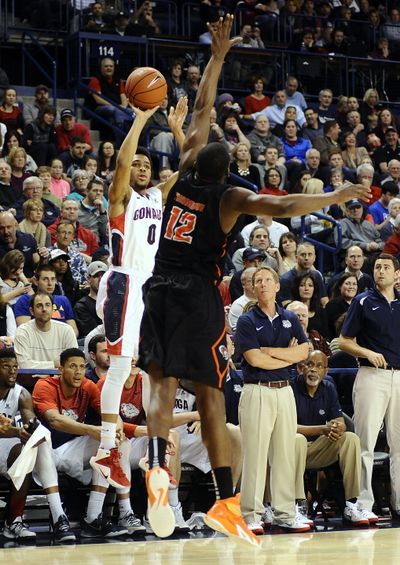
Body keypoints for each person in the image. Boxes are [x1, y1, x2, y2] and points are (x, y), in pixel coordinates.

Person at [138, 14, 370, 544]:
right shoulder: (229, 197)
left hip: (159, 287)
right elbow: (283, 201)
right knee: (212, 396)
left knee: (159, 382)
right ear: (229, 177)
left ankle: (155, 466)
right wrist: (333, 197)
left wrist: (217, 57)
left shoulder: (186, 171)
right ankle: (224, 501)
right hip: (197, 294)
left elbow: (200, 110)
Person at [90, 96, 187, 490]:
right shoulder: (121, 197)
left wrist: (179, 131)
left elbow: (190, 169)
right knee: (118, 367)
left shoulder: (157, 197)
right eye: (137, 165)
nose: (141, 168)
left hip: (151, 287)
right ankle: (107, 447)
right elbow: (121, 166)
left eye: (147, 165)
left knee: (155, 371)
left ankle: (154, 450)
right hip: (123, 283)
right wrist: (141, 119)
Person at [235, 266, 310, 534]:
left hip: (285, 390)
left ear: (278, 286)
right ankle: (251, 514)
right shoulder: (246, 321)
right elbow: (254, 359)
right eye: (258, 281)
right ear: (253, 289)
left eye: (268, 280)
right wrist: (284, 356)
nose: (263, 284)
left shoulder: (290, 316)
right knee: (255, 455)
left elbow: (303, 353)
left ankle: (285, 513)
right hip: (257, 390)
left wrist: (270, 352)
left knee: (284, 454)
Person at [32, 348, 134, 537]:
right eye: (72, 366)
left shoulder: (88, 386)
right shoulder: (44, 385)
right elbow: (55, 420)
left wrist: (116, 429)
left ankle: (94, 518)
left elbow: (110, 413)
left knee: (115, 441)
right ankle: (59, 518)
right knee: (41, 438)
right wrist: (90, 429)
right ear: (60, 368)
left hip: (72, 449)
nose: (78, 372)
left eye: (81, 366)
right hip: (46, 453)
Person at [339, 253, 400, 522]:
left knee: (399, 444)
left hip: (399, 377)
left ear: (397, 274)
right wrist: (367, 352)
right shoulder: (363, 301)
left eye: (387, 267)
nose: (381, 271)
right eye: (377, 267)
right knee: (365, 442)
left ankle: (398, 503)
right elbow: (344, 341)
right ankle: (362, 503)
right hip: (371, 375)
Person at [0, 347, 76, 541]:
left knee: (23, 451)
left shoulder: (22, 394)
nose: (12, 371)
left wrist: (29, 429)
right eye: (6, 366)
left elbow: (29, 422)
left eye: (15, 367)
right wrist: (17, 431)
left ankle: (13, 520)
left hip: (5, 446)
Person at [292, 350, 369, 526]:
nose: (313, 370)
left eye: (319, 366)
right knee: (297, 439)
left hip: (318, 450)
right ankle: (296, 506)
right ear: (302, 368)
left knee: (350, 439)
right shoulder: (291, 388)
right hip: (292, 451)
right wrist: (323, 429)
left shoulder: (329, 387)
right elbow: (288, 428)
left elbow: (339, 420)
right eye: (310, 365)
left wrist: (337, 427)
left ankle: (351, 504)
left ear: (326, 371)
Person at [14, 292, 77, 369]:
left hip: (60, 379)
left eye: (47, 305)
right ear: (31, 311)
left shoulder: (66, 330)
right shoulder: (23, 331)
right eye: (39, 305)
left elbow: (73, 362)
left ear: (53, 309)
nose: (44, 309)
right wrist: (54, 364)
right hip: (31, 379)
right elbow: (23, 365)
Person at [14, 264, 77, 334]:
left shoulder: (63, 300)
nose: (50, 283)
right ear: (36, 281)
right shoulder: (25, 300)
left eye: (53, 279)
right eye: (45, 279)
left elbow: (74, 331)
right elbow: (24, 332)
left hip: (62, 342)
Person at [74, 261, 107, 338]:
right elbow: (93, 336)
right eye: (96, 276)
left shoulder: (114, 301)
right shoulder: (81, 306)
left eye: (103, 276)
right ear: (88, 279)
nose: (101, 279)